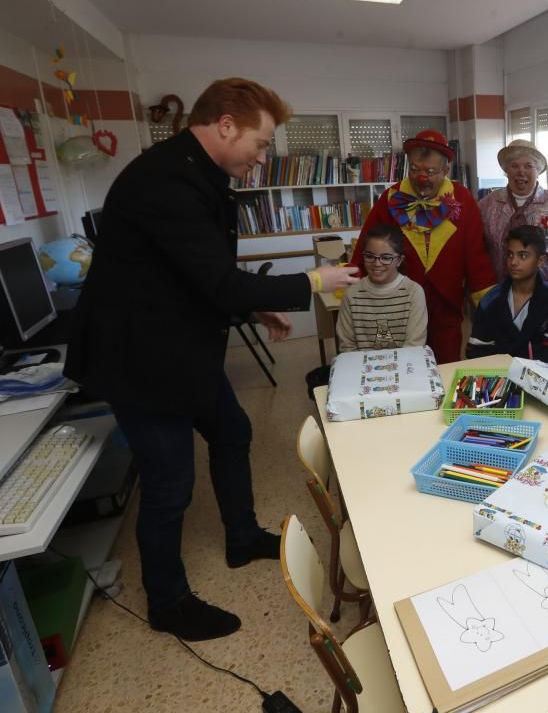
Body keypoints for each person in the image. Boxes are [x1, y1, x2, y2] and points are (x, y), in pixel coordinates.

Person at [65, 78, 360, 641]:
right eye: (263, 142)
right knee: (170, 482)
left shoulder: (201, 173)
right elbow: (216, 281)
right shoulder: (166, 182)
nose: (264, 156)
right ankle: (168, 602)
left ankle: (241, 535)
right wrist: (314, 279)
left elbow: (193, 279)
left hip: (181, 347)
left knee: (232, 431)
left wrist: (251, 310)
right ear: (226, 124)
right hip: (142, 361)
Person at [351, 129, 495, 363]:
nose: (421, 178)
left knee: (446, 363)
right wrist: (351, 283)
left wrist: (490, 305)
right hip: (398, 302)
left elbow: (475, 255)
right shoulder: (391, 198)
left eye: (430, 171)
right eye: (415, 170)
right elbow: (367, 246)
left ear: (446, 170)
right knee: (405, 363)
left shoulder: (462, 199)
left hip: (446, 303)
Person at [479, 140, 548, 303]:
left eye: (528, 166)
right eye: (515, 166)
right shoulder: (488, 205)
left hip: (546, 298)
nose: (521, 172)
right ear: (506, 171)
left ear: (538, 171)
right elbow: (475, 249)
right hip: (498, 297)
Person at [467, 225, 548, 361]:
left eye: (523, 255)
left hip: (538, 377)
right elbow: (477, 350)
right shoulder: (490, 300)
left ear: (541, 260)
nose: (514, 262)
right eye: (510, 254)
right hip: (496, 375)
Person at [335, 223, 427, 352]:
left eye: (386, 258)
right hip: (361, 369)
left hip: (404, 368)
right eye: (370, 256)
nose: (377, 263)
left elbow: (414, 345)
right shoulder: (351, 294)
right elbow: (347, 347)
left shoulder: (414, 292)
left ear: (399, 260)